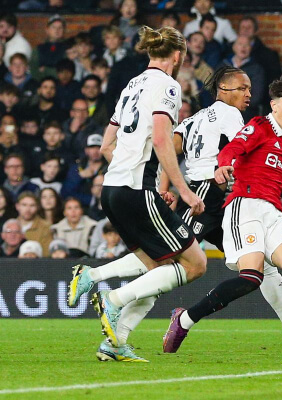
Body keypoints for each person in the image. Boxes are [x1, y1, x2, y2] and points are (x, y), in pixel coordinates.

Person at [162, 71, 282, 354]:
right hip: (245, 207)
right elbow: (232, 147)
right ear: (275, 104)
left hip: (272, 211)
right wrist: (223, 165)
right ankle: (184, 318)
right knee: (251, 278)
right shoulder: (259, 126)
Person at [67, 26, 206, 363]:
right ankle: (111, 300)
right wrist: (182, 190)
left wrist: (128, 171)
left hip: (112, 188)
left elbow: (105, 147)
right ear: (177, 56)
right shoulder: (168, 86)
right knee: (195, 264)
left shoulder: (132, 84)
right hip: (135, 189)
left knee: (156, 265)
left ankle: (112, 337)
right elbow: (161, 140)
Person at [237, 16, 282, 108]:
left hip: (259, 106)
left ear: (256, 31)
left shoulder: (269, 55)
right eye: (243, 27)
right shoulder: (228, 51)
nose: (245, 30)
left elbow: (275, 83)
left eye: (249, 27)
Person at [221, 36, 265, 120]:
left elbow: (256, 97)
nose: (243, 47)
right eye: (240, 44)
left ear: (250, 49)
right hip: (222, 114)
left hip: (246, 115)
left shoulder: (257, 69)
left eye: (247, 45)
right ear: (234, 47)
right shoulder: (223, 65)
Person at [29, 14, 67, 80]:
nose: (57, 30)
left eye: (60, 28)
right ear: (47, 30)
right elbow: (34, 71)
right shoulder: (38, 49)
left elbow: (64, 74)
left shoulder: (68, 49)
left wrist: (46, 70)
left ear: (64, 30)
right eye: (53, 27)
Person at [15, 191, 52, 256]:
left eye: (32, 205)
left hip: (37, 264)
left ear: (37, 207)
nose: (28, 209)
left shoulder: (45, 227)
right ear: (17, 206)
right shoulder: (10, 225)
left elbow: (47, 254)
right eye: (24, 205)